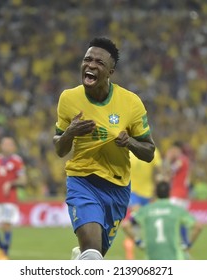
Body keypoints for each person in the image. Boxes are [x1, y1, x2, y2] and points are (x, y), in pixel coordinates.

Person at [53, 37, 155, 260]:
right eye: (87, 59)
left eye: (99, 62)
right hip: (82, 181)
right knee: (92, 256)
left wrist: (130, 142)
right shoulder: (69, 98)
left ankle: (79, 259)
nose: (90, 65)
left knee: (96, 256)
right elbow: (60, 148)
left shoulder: (131, 102)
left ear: (110, 71)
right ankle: (84, 256)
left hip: (117, 188)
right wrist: (70, 132)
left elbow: (149, 151)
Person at [122, 181, 202, 260]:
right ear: (169, 193)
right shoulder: (177, 210)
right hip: (175, 257)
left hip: (152, 258)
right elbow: (198, 227)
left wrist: (138, 242)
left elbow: (126, 225)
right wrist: (188, 245)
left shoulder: (145, 210)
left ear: (155, 193)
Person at [0, 136, 27, 260]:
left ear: (13, 147)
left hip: (10, 199)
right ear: (1, 146)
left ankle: (4, 254)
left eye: (9, 144)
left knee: (6, 226)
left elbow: (23, 180)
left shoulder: (17, 161)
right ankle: (3, 248)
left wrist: (11, 183)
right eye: (4, 144)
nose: (6, 146)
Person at [122, 148, 163, 260]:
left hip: (149, 193)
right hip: (133, 191)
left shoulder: (154, 151)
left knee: (142, 223)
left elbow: (159, 170)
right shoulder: (129, 151)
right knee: (136, 219)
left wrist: (158, 186)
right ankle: (130, 254)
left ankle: (142, 246)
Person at [163, 141, 192, 249]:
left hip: (177, 194)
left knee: (170, 218)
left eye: (173, 150)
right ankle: (184, 242)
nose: (172, 152)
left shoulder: (181, 160)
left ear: (177, 150)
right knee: (181, 219)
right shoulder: (184, 160)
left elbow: (169, 170)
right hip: (182, 194)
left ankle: (173, 242)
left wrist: (167, 158)